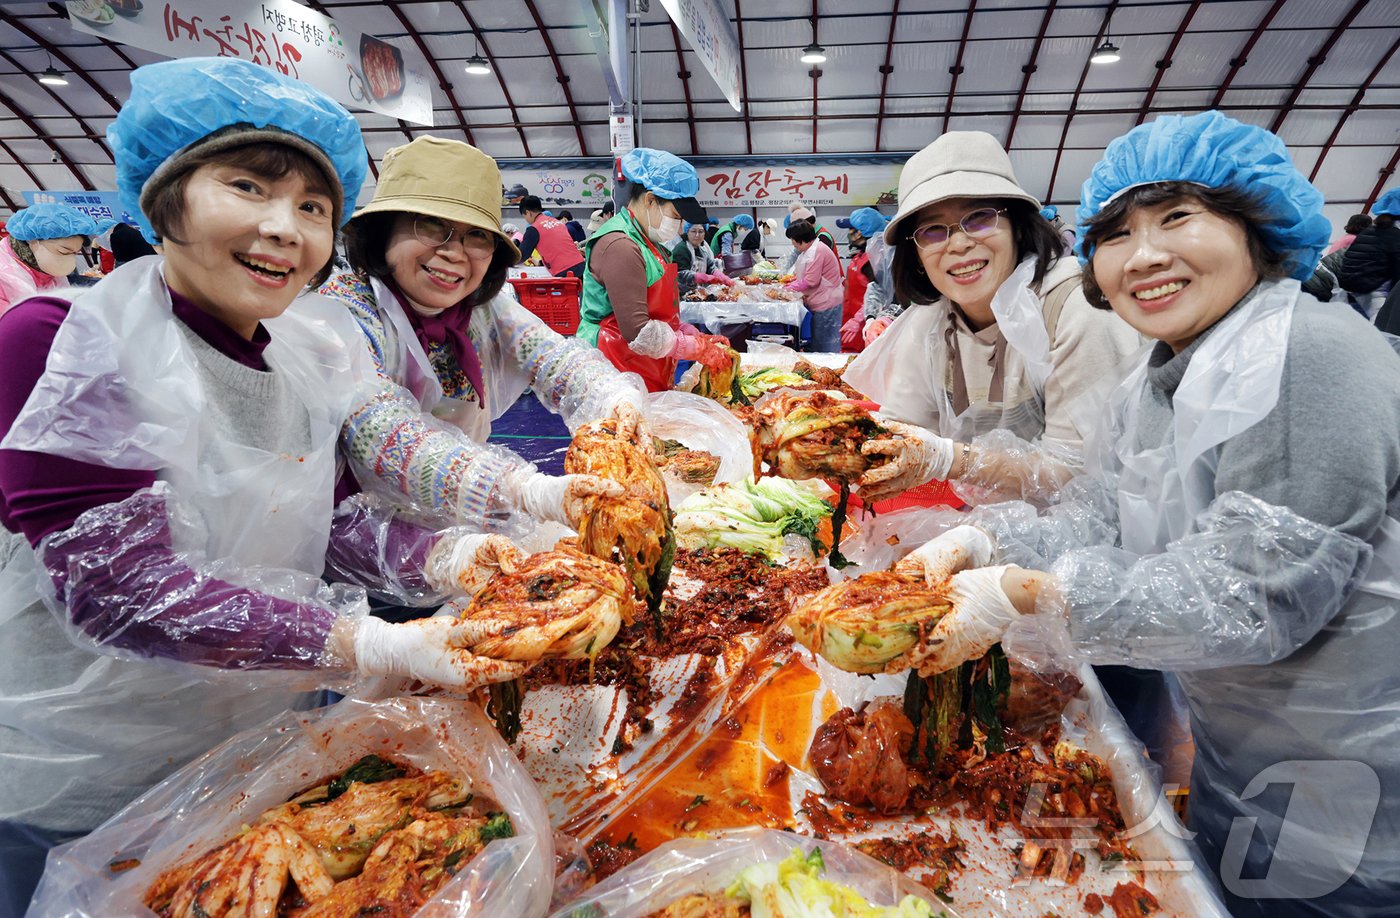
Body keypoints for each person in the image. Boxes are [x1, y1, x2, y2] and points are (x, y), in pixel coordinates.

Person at [0, 58, 529, 911]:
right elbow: (115, 589)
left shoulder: (302, 354)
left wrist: (456, 558)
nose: (285, 228)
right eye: (247, 186)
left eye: (313, 207)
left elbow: (325, 519)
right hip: (82, 767)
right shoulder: (63, 339)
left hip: (238, 744)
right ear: (164, 199)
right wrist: (370, 645)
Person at [900, 110, 1400, 916]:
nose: (1147, 254)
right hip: (1248, 751)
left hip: (1357, 780)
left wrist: (1026, 594)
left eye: (1177, 218)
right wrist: (982, 537)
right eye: (1119, 233)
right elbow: (1099, 516)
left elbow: (1250, 598)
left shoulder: (1310, 357)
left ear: (1258, 228)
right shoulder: (1165, 375)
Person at [320, 135, 643, 534]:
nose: (455, 253)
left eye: (476, 236)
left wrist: (615, 400)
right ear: (383, 233)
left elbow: (554, 359)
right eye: (431, 225)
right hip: (364, 536)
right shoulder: (340, 310)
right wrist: (521, 489)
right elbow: (377, 429)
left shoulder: (480, 307)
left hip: (464, 517)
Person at [844, 129, 1141, 503]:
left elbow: (1085, 475)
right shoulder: (931, 323)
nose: (959, 242)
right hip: (994, 529)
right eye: (933, 230)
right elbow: (898, 431)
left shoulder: (1075, 306)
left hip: (1091, 542)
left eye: (979, 218)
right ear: (914, 251)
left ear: (1017, 225)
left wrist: (951, 459)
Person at [576, 147, 732, 392]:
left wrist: (688, 332)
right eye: (676, 215)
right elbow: (638, 332)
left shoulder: (652, 244)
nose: (679, 225)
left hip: (642, 364)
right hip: (613, 368)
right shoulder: (621, 246)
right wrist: (695, 348)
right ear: (650, 200)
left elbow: (659, 312)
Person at [0, 203, 100, 314]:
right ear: (33, 242)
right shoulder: (4, 277)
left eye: (75, 253)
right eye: (64, 252)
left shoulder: (43, 267)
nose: (70, 262)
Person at [1342, 189, 1400, 328]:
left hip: (1350, 289)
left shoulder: (1369, 231)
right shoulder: (1395, 236)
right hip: (1372, 292)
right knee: (1382, 331)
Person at [784, 221, 842, 353]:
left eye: (793, 240)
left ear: (800, 239)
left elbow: (811, 280)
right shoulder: (809, 250)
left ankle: (828, 371)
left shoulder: (817, 251)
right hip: (820, 302)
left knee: (825, 346)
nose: (793, 244)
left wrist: (787, 288)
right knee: (819, 341)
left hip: (827, 303)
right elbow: (804, 274)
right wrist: (791, 282)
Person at [836, 207, 889, 349]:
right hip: (850, 321)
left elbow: (880, 294)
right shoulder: (860, 255)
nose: (847, 233)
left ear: (859, 233)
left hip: (864, 326)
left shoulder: (872, 261)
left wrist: (859, 319)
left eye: (850, 229)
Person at [516, 195, 585, 279]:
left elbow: (521, 256)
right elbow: (558, 250)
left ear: (528, 212)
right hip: (581, 266)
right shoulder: (557, 222)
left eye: (524, 216)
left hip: (565, 273)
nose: (526, 220)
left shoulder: (534, 229)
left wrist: (505, 262)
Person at [671, 221, 733, 292]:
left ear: (704, 234)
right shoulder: (682, 249)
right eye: (693, 231)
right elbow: (679, 274)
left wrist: (721, 276)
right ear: (687, 232)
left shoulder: (702, 249)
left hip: (696, 293)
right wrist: (701, 277)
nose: (697, 235)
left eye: (701, 232)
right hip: (681, 295)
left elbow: (710, 266)